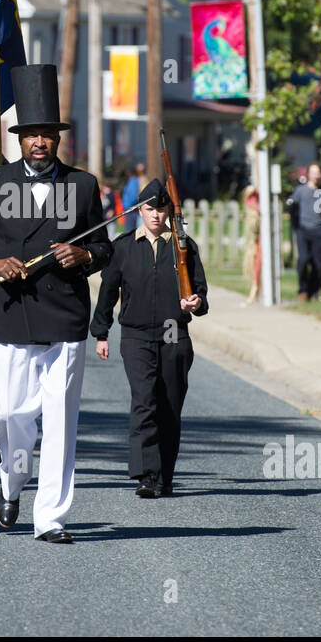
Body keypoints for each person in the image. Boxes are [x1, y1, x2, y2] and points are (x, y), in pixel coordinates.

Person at [0, 64, 113, 543]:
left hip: (63, 318)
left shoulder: (83, 186)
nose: (39, 143)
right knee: (8, 413)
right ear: (18, 138)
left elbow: (105, 248)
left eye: (47, 135)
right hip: (9, 316)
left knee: (61, 423)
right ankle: (12, 479)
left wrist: (84, 254)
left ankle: (51, 518)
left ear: (57, 139)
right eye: (31, 135)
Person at [90, 179, 208, 498]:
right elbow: (108, 292)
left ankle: (164, 475)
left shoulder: (184, 246)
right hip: (136, 335)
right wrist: (101, 332)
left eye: (161, 209)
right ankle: (145, 474)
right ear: (139, 210)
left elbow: (200, 291)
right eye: (149, 209)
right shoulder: (124, 246)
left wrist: (195, 303)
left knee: (169, 406)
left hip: (173, 333)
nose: (155, 215)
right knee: (144, 402)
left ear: (169, 211)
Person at [288, 162, 321, 301]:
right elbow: (293, 208)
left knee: (318, 264)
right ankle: (303, 290)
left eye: (318, 172)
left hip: (319, 231)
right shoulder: (300, 191)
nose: (316, 175)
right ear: (308, 174)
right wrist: (296, 226)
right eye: (313, 172)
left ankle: (314, 291)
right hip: (303, 230)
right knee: (303, 260)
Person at [240, 183, 261, 304]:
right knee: (255, 260)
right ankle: (255, 288)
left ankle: (256, 289)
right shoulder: (252, 198)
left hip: (262, 236)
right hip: (256, 238)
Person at [122, 162, 148, 232]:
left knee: (131, 231)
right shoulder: (135, 180)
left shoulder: (134, 181)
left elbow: (133, 196)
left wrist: (127, 206)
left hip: (132, 209)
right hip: (132, 208)